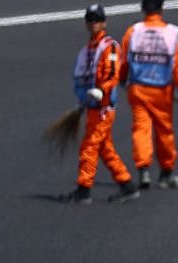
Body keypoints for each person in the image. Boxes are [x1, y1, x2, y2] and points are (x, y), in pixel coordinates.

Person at [59, 4, 140, 204]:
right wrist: (83, 101)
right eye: (90, 19)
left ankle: (83, 189)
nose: (93, 23)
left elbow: (112, 74)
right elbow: (81, 79)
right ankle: (127, 185)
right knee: (105, 149)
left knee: (89, 146)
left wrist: (101, 90)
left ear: (104, 23)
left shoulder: (109, 47)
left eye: (97, 19)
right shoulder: (87, 51)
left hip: (104, 109)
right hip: (92, 108)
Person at [119, 0, 178, 190]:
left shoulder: (133, 31)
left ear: (143, 8)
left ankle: (143, 169)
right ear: (161, 8)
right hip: (161, 91)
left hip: (138, 89)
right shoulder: (172, 33)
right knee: (164, 131)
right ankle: (166, 173)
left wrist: (122, 80)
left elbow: (123, 59)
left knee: (141, 129)